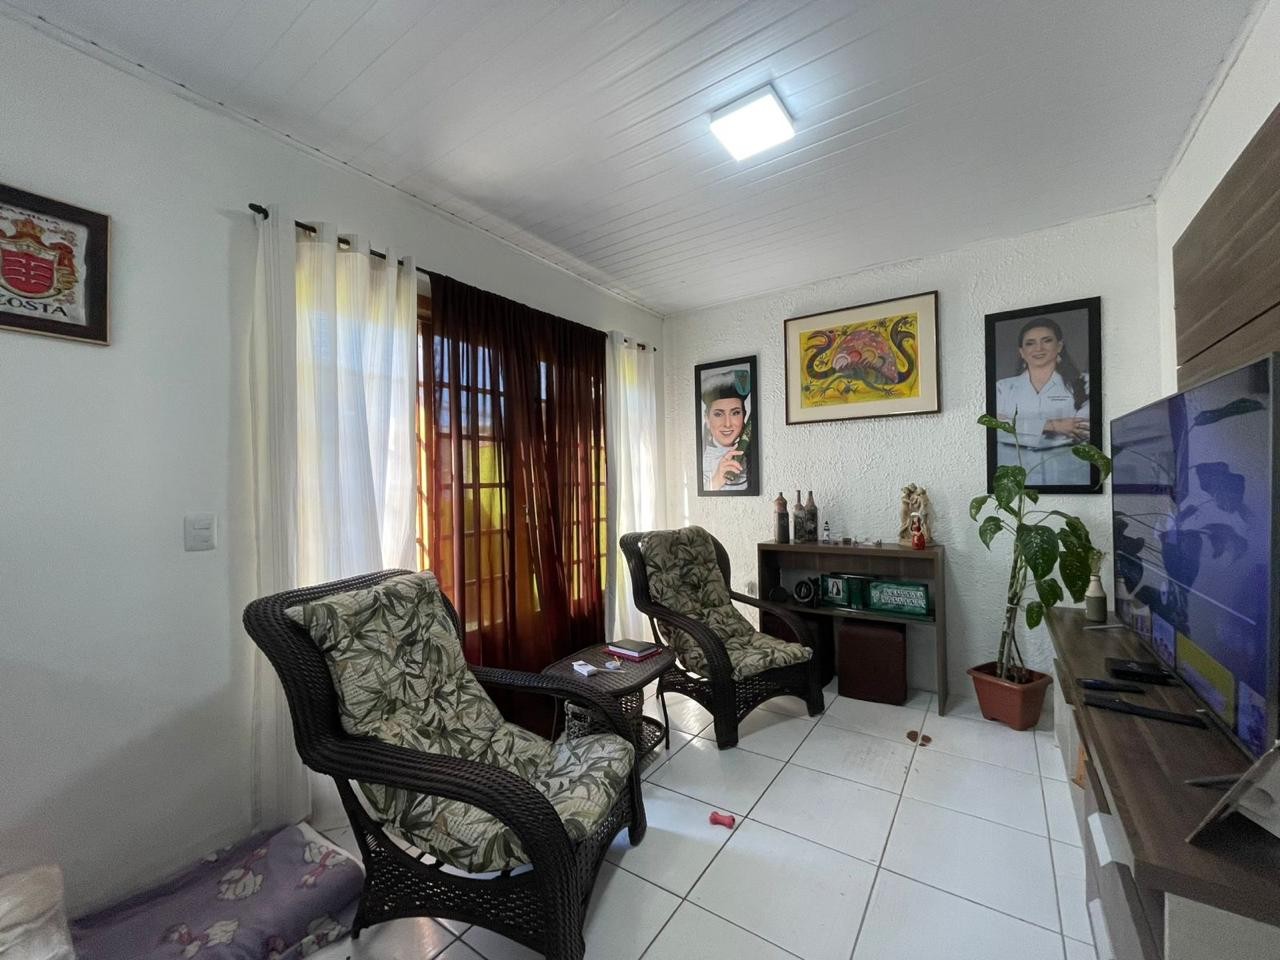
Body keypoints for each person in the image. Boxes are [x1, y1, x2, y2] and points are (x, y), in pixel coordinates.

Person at [994, 317, 1090, 485]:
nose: (1038, 348)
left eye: (1047, 341)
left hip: (1067, 475)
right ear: (1022, 352)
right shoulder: (1002, 387)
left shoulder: (1085, 383)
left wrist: (1016, 428)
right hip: (1016, 479)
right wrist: (1053, 426)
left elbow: (1083, 430)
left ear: (1059, 346)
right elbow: (995, 430)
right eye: (1030, 343)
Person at [700, 370, 751, 491]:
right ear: (707, 418)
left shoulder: (752, 455)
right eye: (718, 414)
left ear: (744, 415)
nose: (727, 424)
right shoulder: (699, 459)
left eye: (735, 413)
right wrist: (717, 479)